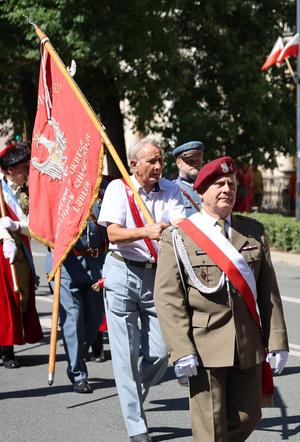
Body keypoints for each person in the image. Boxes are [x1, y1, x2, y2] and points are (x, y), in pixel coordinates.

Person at [155, 156, 289, 441]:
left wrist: (277, 340)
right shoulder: (179, 237)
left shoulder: (252, 232)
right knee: (210, 428)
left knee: (250, 415)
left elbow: (269, 292)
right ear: (202, 191)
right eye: (218, 184)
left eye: (231, 183)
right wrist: (181, 349)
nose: (226, 189)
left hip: (248, 343)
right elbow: (168, 298)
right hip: (205, 346)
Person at [98, 137, 186, 442]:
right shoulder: (118, 189)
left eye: (160, 160)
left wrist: (168, 231)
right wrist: (145, 231)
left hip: (157, 276)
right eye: (151, 161)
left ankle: (130, 397)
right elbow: (112, 232)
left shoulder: (171, 190)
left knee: (162, 352)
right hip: (122, 270)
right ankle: (136, 425)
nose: (159, 166)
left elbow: (179, 226)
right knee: (125, 355)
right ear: (134, 164)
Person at [46, 190, 108, 394]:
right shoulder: (57, 190)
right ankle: (78, 374)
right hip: (67, 264)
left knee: (94, 319)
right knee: (72, 319)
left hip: (97, 264)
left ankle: (77, 355)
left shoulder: (104, 187)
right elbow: (42, 225)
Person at [0, 142, 43, 368]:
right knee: (5, 300)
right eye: (22, 168)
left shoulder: (27, 191)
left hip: (22, 249)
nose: (26, 171)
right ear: (8, 170)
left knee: (21, 296)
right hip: (3, 251)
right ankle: (6, 349)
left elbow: (35, 225)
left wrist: (16, 226)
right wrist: (4, 236)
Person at [173, 141, 204, 217]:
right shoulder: (172, 190)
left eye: (197, 160)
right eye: (190, 161)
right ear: (178, 163)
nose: (195, 164)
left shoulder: (210, 186)